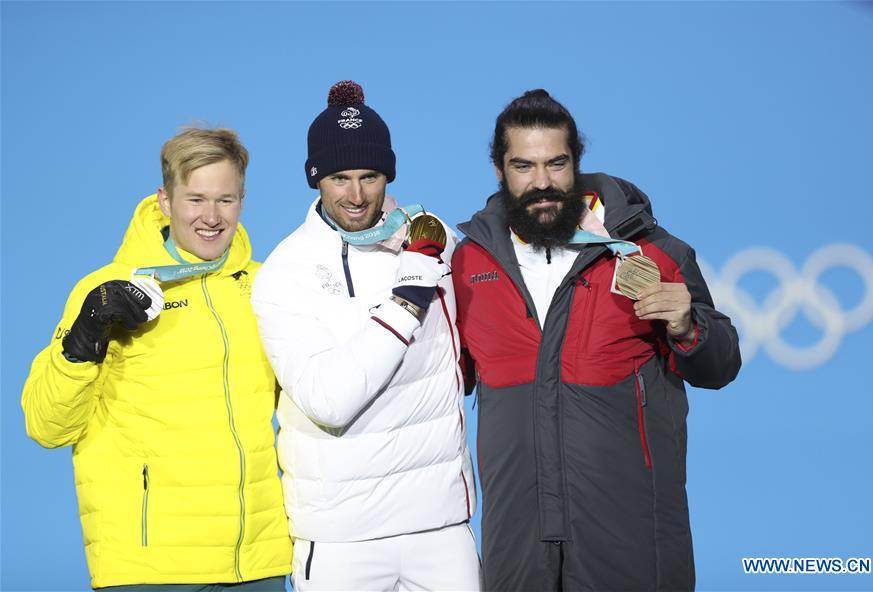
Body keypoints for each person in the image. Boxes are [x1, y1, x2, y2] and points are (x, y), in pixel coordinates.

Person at [452, 89, 742, 591]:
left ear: (576, 162)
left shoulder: (648, 251)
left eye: (556, 164)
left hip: (630, 540)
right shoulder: (468, 264)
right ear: (499, 171)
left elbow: (721, 365)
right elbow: (438, 381)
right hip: (517, 545)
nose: (542, 183)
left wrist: (688, 326)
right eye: (523, 166)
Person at [21, 128, 292, 590]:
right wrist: (83, 338)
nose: (211, 217)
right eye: (195, 199)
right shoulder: (107, 289)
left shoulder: (266, 286)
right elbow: (47, 426)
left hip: (255, 561)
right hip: (151, 564)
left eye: (225, 200)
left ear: (242, 202)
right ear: (165, 201)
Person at [251, 80, 480, 592]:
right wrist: (407, 301)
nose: (355, 196)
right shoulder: (285, 272)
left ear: (387, 175)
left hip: (440, 525)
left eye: (369, 177)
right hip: (341, 538)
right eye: (339, 178)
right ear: (316, 179)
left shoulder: (431, 237)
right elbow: (329, 401)